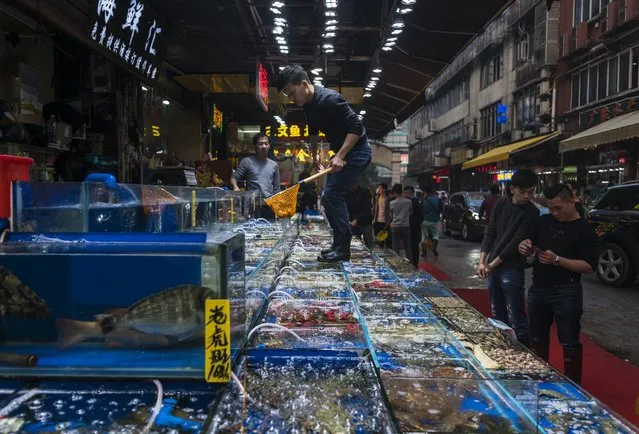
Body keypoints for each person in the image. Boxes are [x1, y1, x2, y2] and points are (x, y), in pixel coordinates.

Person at [277, 65, 371, 262]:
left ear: (304, 84)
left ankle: (343, 248)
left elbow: (356, 127)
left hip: (358, 151)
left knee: (332, 195)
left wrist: (340, 156)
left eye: (292, 93)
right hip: (344, 152)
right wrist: (314, 157)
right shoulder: (308, 104)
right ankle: (338, 244)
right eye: (288, 95)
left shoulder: (330, 100)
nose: (291, 98)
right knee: (329, 198)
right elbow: (312, 130)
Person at [519, 184, 599, 385]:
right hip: (539, 288)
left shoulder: (585, 229)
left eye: (558, 208)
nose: (554, 213)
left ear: (572, 200)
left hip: (567, 290)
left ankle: (573, 386)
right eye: (550, 208)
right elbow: (529, 246)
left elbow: (589, 266)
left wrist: (558, 260)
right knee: (536, 339)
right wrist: (525, 247)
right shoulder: (543, 221)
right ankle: (539, 380)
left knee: (569, 341)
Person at [476, 169, 540, 346]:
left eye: (531, 191)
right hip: (494, 266)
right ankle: (503, 349)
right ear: (513, 189)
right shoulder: (501, 204)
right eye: (523, 191)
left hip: (511, 267)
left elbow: (515, 243)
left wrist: (490, 265)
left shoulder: (532, 212)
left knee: (516, 314)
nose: (527, 196)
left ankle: (523, 353)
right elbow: (490, 232)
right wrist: (482, 260)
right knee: (497, 313)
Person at [230, 132, 280, 220]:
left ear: (269, 146)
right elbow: (234, 177)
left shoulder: (274, 165)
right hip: (252, 205)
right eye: (260, 144)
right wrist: (235, 186)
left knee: (269, 230)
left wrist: (278, 209)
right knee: (253, 230)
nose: (264, 146)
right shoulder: (247, 162)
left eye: (266, 144)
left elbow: (277, 188)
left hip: (269, 205)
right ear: (255, 146)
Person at [385, 184, 413, 263]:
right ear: (402, 191)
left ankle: (396, 263)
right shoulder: (408, 202)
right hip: (405, 226)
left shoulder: (392, 203)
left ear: (394, 192)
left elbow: (391, 215)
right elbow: (411, 212)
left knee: (395, 247)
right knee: (407, 247)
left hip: (395, 226)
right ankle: (410, 264)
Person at [347, 183, 374, 248]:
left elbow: (367, 208)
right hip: (353, 221)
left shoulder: (365, 191)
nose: (351, 188)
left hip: (365, 221)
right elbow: (348, 206)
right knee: (355, 243)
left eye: (352, 186)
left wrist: (357, 219)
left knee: (368, 242)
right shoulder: (349, 192)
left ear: (356, 184)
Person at [404, 186, 423, 267]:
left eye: (405, 193)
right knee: (409, 245)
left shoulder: (415, 202)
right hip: (408, 226)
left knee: (414, 245)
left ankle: (415, 263)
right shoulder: (407, 202)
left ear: (410, 193)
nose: (404, 195)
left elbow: (421, 216)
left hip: (414, 227)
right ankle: (412, 262)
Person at [421, 186, 442, 257]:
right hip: (434, 220)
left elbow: (421, 209)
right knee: (435, 235)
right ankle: (434, 248)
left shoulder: (424, 200)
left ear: (426, 192)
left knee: (424, 237)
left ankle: (424, 253)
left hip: (425, 220)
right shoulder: (438, 199)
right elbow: (441, 209)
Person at [373, 183, 391, 248]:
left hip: (386, 222)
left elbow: (390, 211)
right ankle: (380, 255)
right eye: (378, 188)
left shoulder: (389, 198)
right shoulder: (377, 198)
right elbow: (375, 209)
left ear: (384, 189)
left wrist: (390, 221)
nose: (379, 189)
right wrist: (373, 220)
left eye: (380, 188)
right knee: (379, 241)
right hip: (377, 221)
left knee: (388, 241)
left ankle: (389, 255)